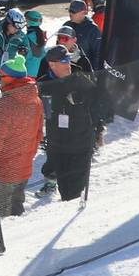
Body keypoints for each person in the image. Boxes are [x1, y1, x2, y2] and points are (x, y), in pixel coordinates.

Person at [0, 54, 43, 217]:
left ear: (12, 79)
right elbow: (38, 136)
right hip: (23, 171)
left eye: (2, 77)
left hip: (1, 175)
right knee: (16, 214)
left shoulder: (2, 106)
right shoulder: (36, 101)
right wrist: (26, 160)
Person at [38, 48, 97, 201]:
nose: (68, 64)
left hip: (80, 141)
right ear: (52, 65)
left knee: (75, 189)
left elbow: (99, 99)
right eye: (64, 61)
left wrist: (82, 97)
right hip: (57, 141)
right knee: (65, 189)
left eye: (68, 60)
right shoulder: (44, 82)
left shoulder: (80, 78)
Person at [62, 0, 103, 71]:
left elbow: (98, 54)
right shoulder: (66, 25)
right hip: (66, 67)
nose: (70, 14)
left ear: (83, 13)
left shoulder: (93, 29)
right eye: (69, 11)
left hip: (83, 70)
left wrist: (94, 73)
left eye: (73, 11)